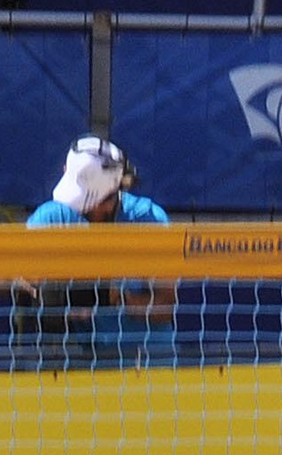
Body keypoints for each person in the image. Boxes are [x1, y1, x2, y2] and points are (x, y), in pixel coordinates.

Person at [22, 134, 177, 359]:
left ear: (107, 199)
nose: (76, 210)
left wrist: (116, 299)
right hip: (79, 362)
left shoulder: (149, 220)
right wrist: (42, 289)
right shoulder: (53, 216)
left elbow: (165, 308)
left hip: (146, 361)